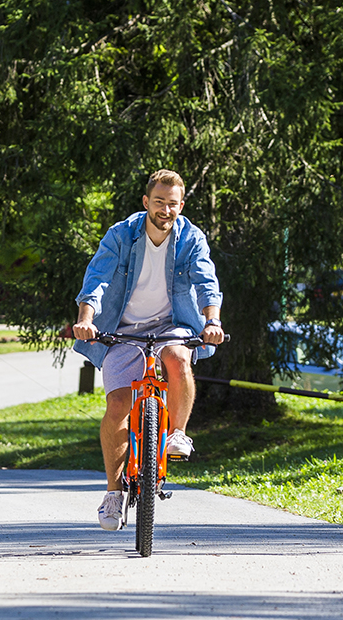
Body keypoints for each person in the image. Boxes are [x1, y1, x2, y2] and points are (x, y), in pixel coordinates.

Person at [71, 169, 224, 531]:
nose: (165, 210)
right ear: (146, 202)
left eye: (172, 204)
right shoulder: (122, 234)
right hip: (122, 330)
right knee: (119, 405)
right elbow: (98, 277)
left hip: (173, 325)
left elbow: (206, 280)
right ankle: (113, 493)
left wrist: (212, 321)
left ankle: (178, 433)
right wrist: (85, 317)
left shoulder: (191, 238)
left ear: (181, 205)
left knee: (177, 357)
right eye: (159, 202)